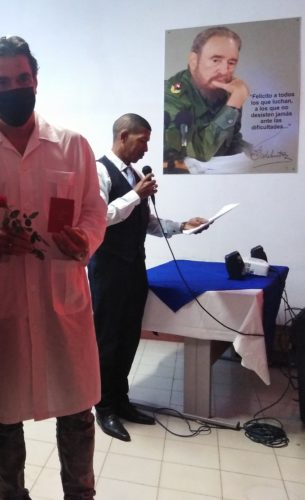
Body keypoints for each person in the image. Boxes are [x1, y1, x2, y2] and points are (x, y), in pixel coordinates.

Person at [0, 35, 107, 500]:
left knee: (77, 413)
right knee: (3, 418)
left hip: (62, 299)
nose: (15, 88)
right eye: (2, 82)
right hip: (0, 300)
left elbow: (94, 209)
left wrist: (86, 237)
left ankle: (80, 495)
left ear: (36, 80)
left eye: (22, 78)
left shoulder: (72, 145)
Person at [89, 113, 208, 442]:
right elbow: (99, 218)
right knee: (108, 340)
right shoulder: (98, 171)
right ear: (123, 136)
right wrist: (135, 195)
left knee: (129, 337)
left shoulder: (135, 175)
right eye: (142, 141)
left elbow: (145, 221)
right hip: (108, 270)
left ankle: (121, 401)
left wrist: (181, 226)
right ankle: (104, 407)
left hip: (134, 268)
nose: (145, 149)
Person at [164, 26, 250, 165]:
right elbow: (199, 152)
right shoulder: (171, 96)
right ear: (194, 61)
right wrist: (233, 105)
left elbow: (232, 141)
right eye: (216, 60)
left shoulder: (228, 91)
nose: (224, 71)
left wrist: (254, 157)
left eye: (231, 63)